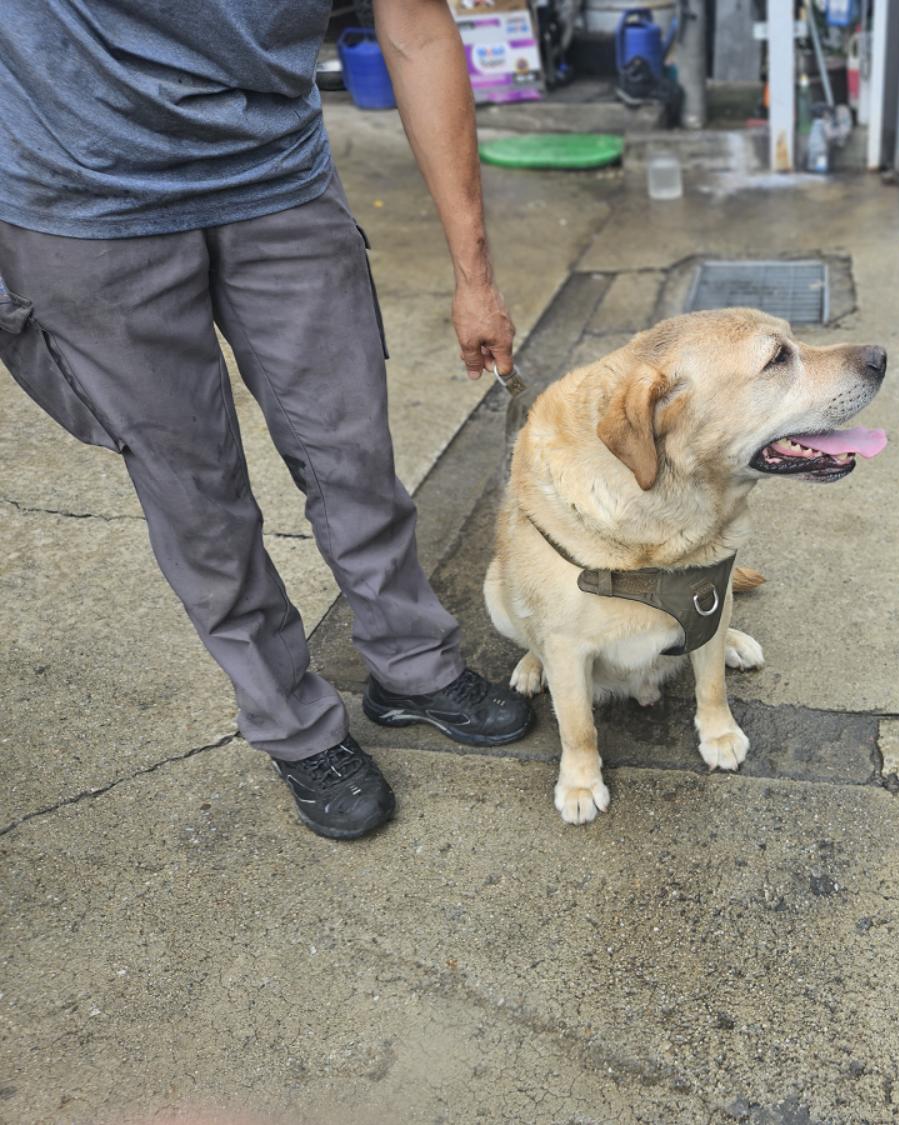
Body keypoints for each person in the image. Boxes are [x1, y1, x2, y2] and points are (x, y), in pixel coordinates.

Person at [0, 0, 532, 840]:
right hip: (81, 206)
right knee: (197, 502)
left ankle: (413, 667)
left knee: (351, 454)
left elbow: (418, 29)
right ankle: (296, 727)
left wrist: (474, 275)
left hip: (278, 176)